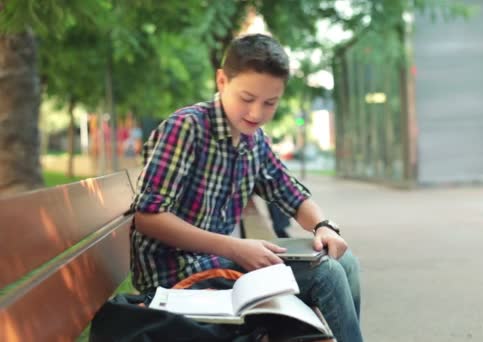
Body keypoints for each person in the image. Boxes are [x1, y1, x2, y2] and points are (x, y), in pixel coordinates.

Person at [129, 33, 362, 341]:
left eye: (270, 103)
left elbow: (291, 194)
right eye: (247, 99)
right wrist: (235, 247)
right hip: (175, 276)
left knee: (343, 261)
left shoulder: (255, 140)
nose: (256, 113)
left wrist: (323, 226)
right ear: (222, 81)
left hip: (217, 263)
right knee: (324, 275)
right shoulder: (187, 128)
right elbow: (147, 217)